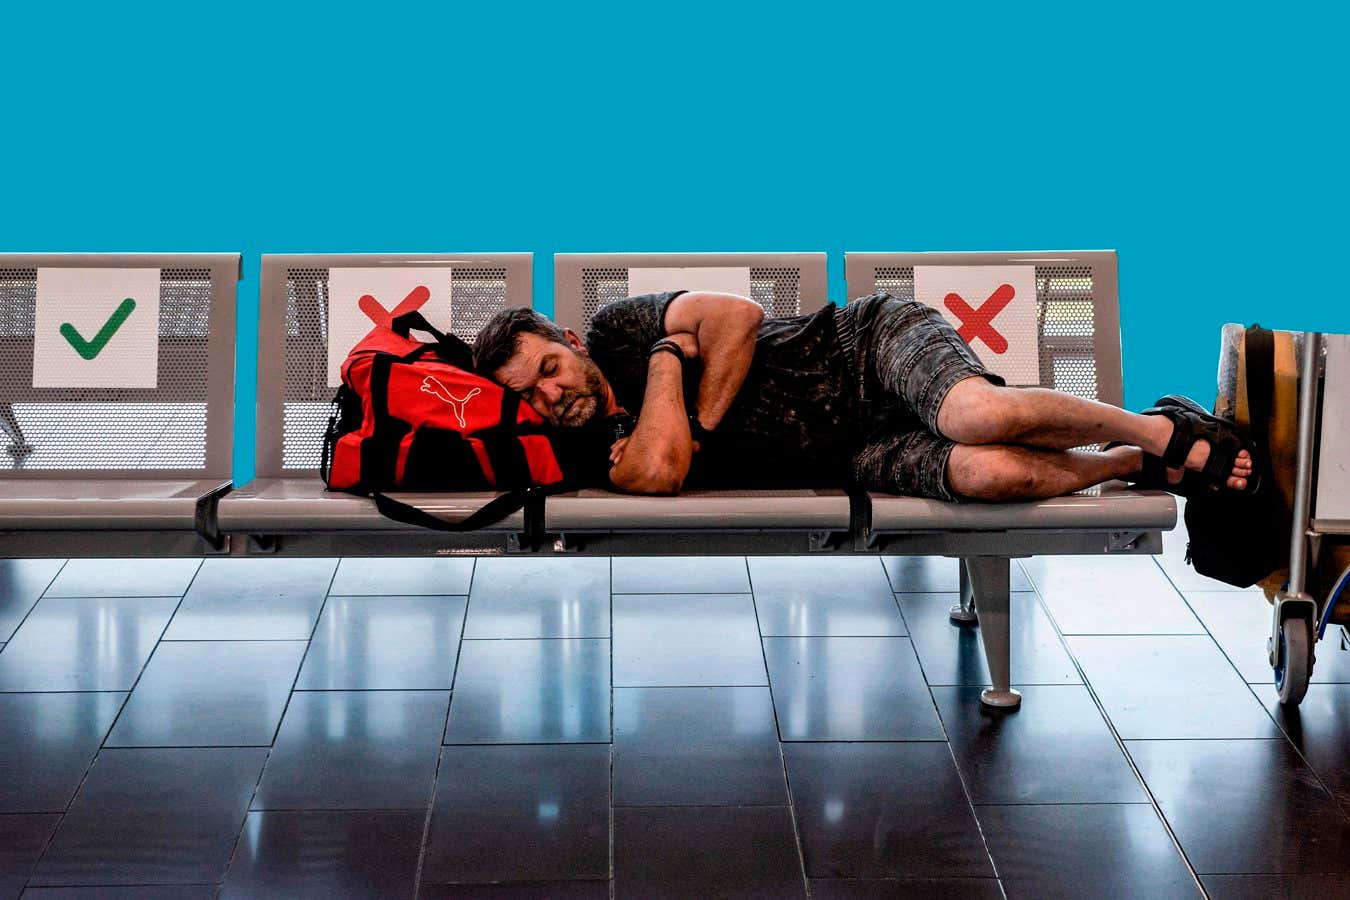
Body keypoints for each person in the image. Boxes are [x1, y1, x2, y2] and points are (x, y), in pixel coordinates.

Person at [472, 290, 1255, 500]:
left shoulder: (616, 326)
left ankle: (1153, 429)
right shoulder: (570, 446)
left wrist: (696, 423)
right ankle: (1122, 465)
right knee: (986, 473)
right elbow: (658, 472)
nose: (551, 395)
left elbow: (738, 316)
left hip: (865, 349)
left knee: (974, 413)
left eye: (548, 369)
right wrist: (672, 361)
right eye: (529, 395)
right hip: (856, 456)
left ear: (569, 343)